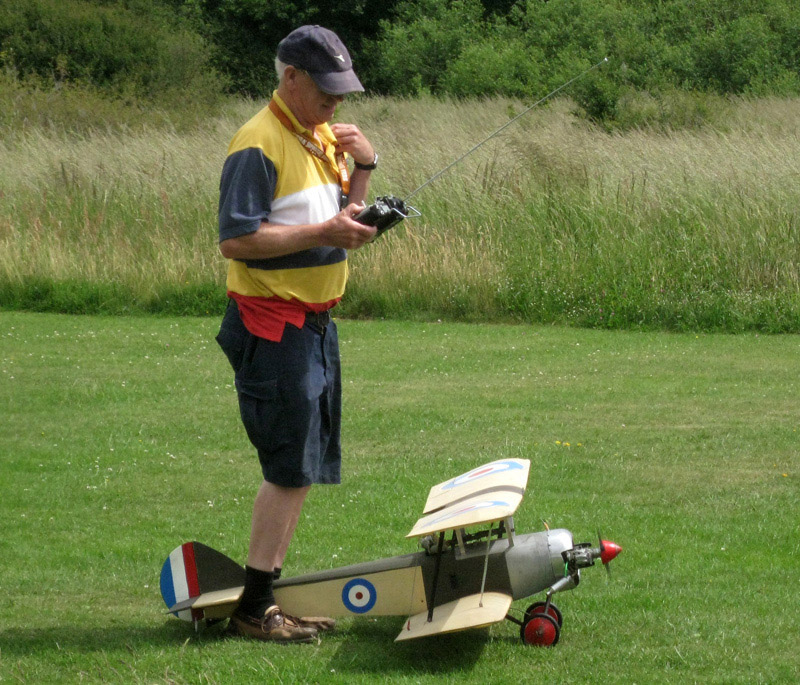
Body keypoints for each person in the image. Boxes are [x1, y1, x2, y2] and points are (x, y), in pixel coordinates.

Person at [215, 25, 379, 643]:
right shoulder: (257, 143)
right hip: (272, 324)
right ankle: (254, 609)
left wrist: (364, 167)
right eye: (327, 90)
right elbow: (236, 240)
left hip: (314, 323)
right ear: (291, 78)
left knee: (302, 466)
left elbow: (343, 220)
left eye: (343, 91)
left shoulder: (317, 135)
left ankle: (267, 598)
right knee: (288, 467)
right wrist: (322, 235)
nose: (338, 102)